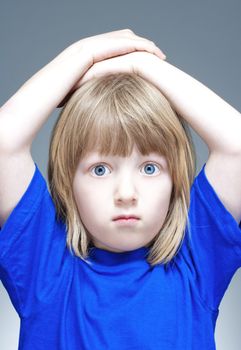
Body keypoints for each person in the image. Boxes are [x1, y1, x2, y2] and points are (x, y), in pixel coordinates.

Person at [0, 29, 240, 350]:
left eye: (149, 168)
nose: (126, 193)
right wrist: (83, 55)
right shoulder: (45, 268)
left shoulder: (194, 263)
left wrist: (142, 66)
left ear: (175, 181)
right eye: (100, 170)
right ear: (68, 183)